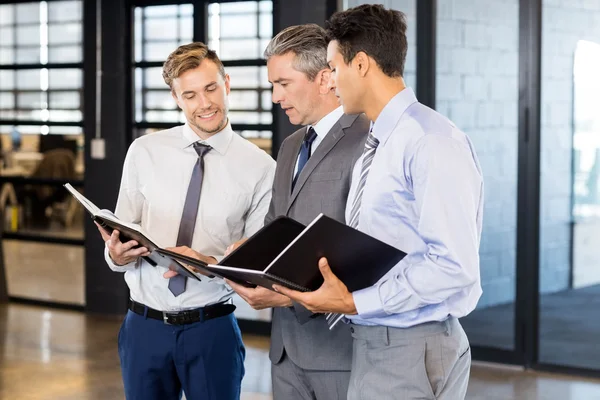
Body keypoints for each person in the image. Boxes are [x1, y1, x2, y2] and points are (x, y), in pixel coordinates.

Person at [274, 5, 484, 400]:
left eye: (334, 68)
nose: (331, 83)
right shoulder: (382, 140)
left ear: (362, 65)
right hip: (378, 341)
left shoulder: (428, 141)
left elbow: (454, 268)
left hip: (408, 344)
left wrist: (355, 302)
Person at [97, 42, 276, 400]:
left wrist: (210, 264)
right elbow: (122, 231)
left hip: (211, 329)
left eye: (211, 88)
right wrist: (116, 256)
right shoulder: (144, 151)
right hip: (143, 327)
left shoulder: (261, 168)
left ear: (227, 83)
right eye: (190, 94)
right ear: (176, 98)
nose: (205, 103)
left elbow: (256, 263)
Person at [223, 24, 369, 399]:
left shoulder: (369, 139)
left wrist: (288, 296)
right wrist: (244, 256)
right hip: (284, 353)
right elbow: (278, 225)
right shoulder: (290, 146)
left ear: (324, 80)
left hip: (340, 353)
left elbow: (369, 250)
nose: (275, 96)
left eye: (283, 84)